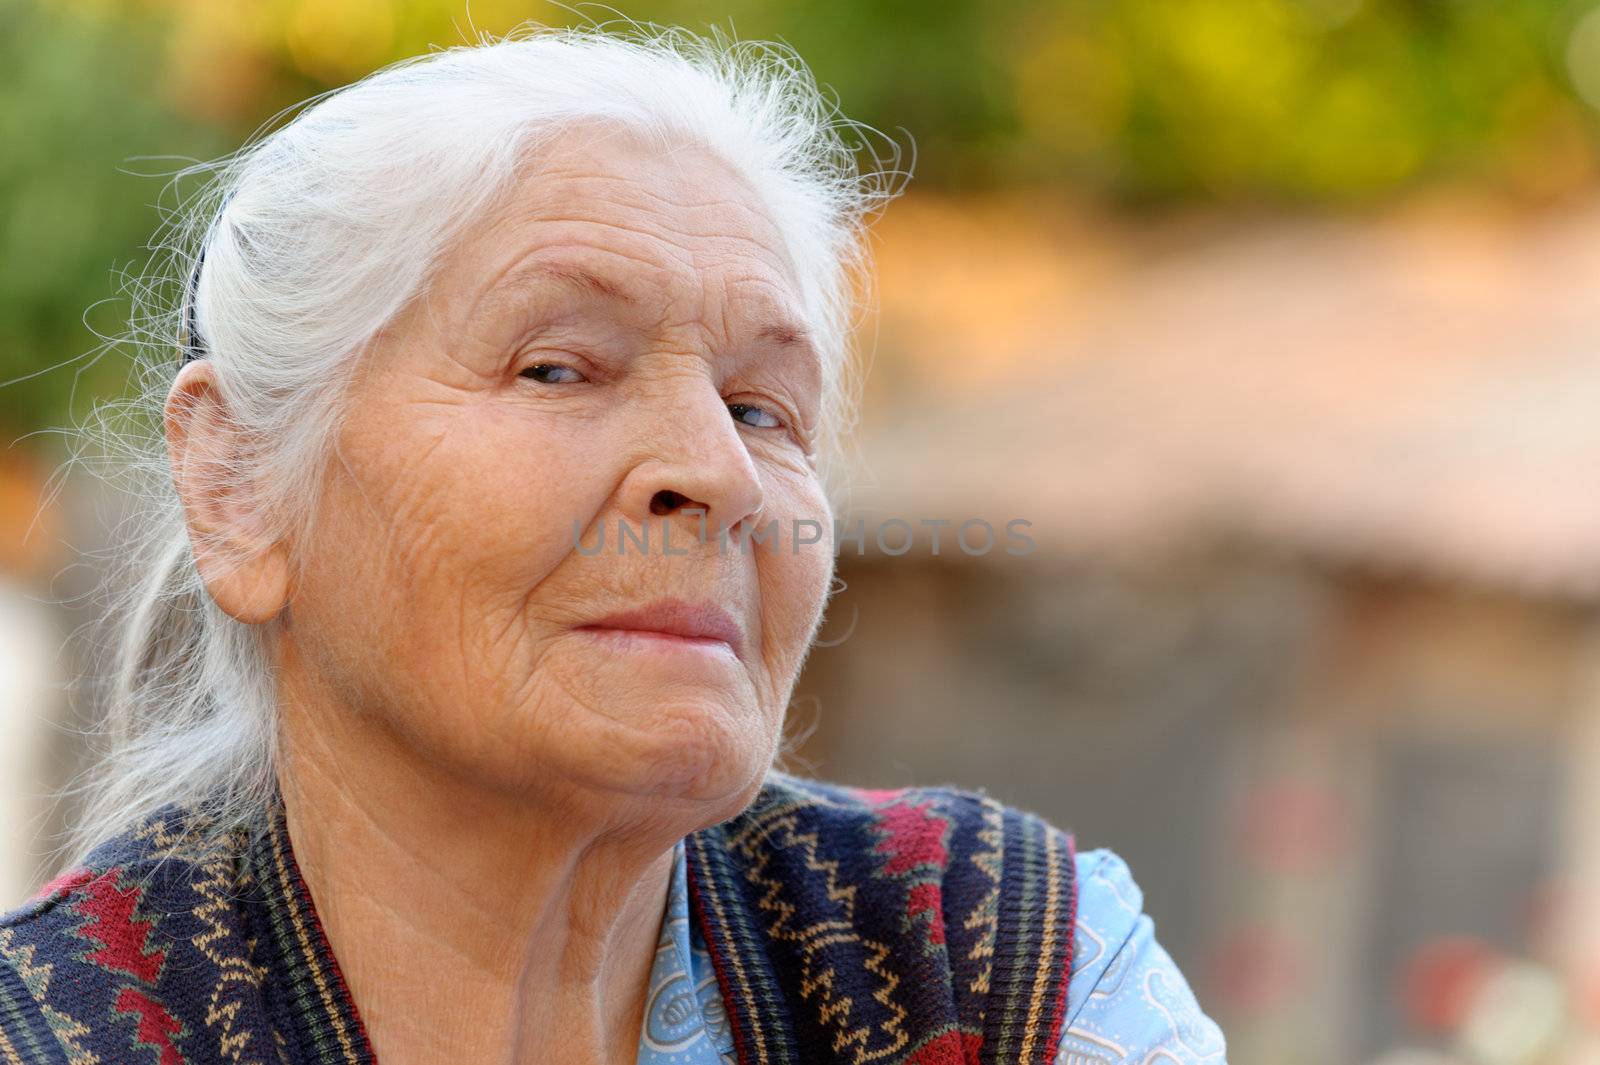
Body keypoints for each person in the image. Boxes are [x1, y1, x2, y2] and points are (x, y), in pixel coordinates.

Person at [0, 22, 1228, 1065]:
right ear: (238, 483)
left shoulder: (991, 959)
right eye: (557, 368)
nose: (719, 473)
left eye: (763, 410)